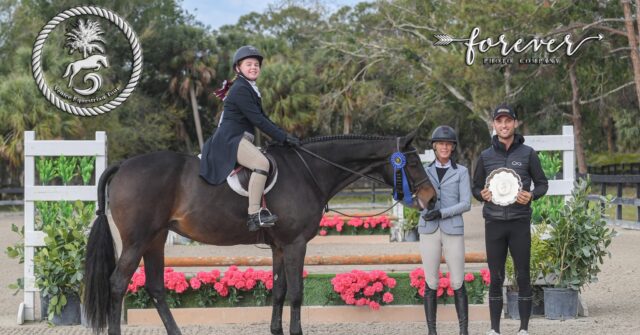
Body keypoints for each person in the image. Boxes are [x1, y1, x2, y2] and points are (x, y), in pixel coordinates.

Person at [200, 45, 300, 232]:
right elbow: (258, 120)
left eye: (256, 64)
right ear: (238, 68)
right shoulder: (240, 89)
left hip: (241, 139)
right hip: (231, 139)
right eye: (249, 64)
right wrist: (283, 137)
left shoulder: (249, 88)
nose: (254, 67)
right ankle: (254, 214)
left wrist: (283, 136)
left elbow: (263, 119)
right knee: (262, 164)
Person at [471, 104, 548, 335]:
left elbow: (542, 183)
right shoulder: (485, 156)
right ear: (494, 125)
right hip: (493, 223)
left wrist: (532, 195)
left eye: (508, 121)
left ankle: (523, 329)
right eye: (499, 121)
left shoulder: (528, 154)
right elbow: (475, 187)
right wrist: (481, 195)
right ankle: (494, 330)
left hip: (519, 222)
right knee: (496, 277)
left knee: (523, 274)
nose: (504, 125)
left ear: (515, 123)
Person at [418, 125, 471, 335]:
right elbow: (417, 197)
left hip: (452, 229)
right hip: (428, 229)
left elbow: (466, 203)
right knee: (431, 280)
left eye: (448, 144)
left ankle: (463, 330)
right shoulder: (424, 171)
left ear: (453, 147)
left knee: (457, 280)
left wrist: (442, 213)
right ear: (434, 146)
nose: (444, 147)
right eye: (441, 143)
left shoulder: (462, 171)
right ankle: (432, 331)